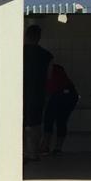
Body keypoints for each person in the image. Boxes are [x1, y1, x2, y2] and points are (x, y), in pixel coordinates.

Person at [23, 25, 53, 161]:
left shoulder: (18, 52)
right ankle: (33, 153)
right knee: (35, 124)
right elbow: (49, 76)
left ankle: (21, 153)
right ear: (39, 37)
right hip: (38, 94)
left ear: (26, 36)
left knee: (20, 124)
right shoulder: (46, 55)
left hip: (20, 93)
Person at [42, 63, 79, 155]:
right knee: (60, 121)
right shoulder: (56, 69)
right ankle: (56, 147)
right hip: (69, 95)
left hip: (62, 94)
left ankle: (45, 146)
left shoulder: (47, 71)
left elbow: (49, 90)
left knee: (49, 120)